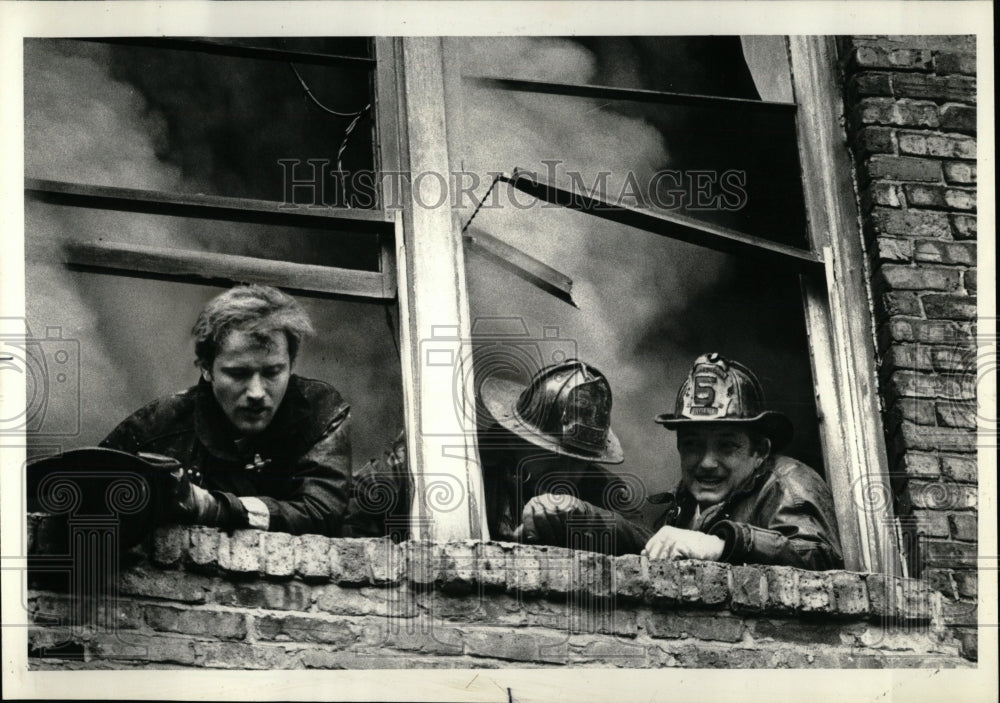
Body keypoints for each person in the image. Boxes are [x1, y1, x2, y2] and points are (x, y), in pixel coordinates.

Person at [97, 284, 352, 537]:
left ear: (291, 364)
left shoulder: (320, 412)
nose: (256, 392)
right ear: (207, 368)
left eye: (272, 372)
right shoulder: (155, 428)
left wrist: (213, 507)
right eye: (238, 373)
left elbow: (321, 513)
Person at [346, 360, 652, 555]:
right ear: (519, 438)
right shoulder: (456, 460)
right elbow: (364, 499)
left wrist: (584, 514)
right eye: (556, 457)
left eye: (579, 461)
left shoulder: (591, 483)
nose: (570, 473)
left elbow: (644, 539)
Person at [643, 352, 843, 570]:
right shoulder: (682, 503)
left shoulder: (787, 484)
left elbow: (820, 558)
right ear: (679, 447)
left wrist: (722, 545)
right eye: (693, 444)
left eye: (727, 446)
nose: (707, 463)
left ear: (759, 451)